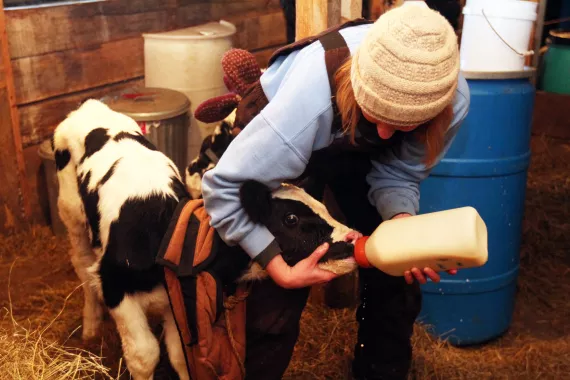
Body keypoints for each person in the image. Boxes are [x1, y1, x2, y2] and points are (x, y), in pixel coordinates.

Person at [201, 3, 470, 379]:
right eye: (380, 116)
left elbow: (398, 172)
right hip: (301, 138)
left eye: (404, 124)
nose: (388, 135)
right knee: (280, 283)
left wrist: (402, 225)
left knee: (396, 274)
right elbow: (225, 187)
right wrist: (279, 268)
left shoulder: (451, 101)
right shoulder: (304, 105)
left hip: (355, 146)